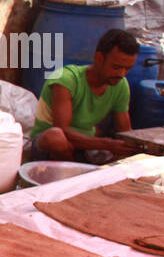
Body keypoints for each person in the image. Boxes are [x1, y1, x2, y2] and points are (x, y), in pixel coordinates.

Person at [30, 28, 139, 162]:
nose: (121, 74)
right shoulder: (66, 79)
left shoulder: (121, 85)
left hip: (86, 147)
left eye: (127, 69)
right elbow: (62, 129)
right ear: (99, 58)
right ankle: (75, 175)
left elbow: (125, 132)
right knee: (55, 137)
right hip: (48, 145)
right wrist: (107, 144)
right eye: (116, 67)